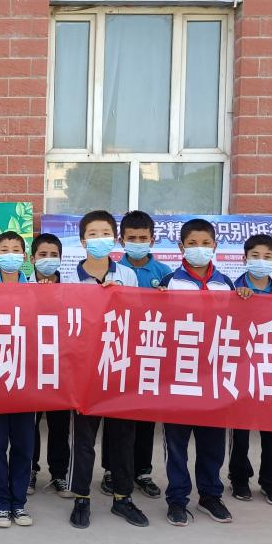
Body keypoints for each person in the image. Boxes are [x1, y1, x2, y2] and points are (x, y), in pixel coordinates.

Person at [63, 211, 147, 529]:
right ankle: (81, 498)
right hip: (85, 371)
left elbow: (137, 318)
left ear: (115, 239)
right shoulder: (70, 278)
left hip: (119, 367)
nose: (99, 239)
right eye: (93, 234)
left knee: (123, 437)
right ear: (83, 241)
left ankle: (122, 498)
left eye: (105, 233)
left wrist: (117, 298)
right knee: (84, 439)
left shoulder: (127, 275)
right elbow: (65, 322)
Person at [161, 218, 234, 527]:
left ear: (215, 246)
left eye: (205, 243)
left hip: (214, 375)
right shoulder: (169, 283)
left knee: (212, 441)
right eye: (192, 244)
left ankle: (210, 495)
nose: (199, 249)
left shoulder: (226, 284)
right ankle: (177, 499)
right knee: (176, 442)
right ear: (181, 247)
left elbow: (239, 324)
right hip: (178, 374)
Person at [108, 209, 171, 499]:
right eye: (131, 238)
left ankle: (142, 471)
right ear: (121, 241)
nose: (137, 242)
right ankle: (112, 470)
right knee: (115, 415)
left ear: (152, 240)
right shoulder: (113, 271)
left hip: (151, 353)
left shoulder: (165, 273)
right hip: (119, 351)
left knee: (146, 414)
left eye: (142, 238)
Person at [228, 233, 272, 507]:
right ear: (244, 258)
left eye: (267, 257)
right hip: (240, 368)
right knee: (240, 430)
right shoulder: (231, 289)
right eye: (255, 256)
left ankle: (271, 481)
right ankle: (239, 478)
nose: (261, 261)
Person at [0, 231, 36, 528]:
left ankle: (19, 501)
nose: (10, 255)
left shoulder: (38, 291)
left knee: (23, 445)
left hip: (26, 380)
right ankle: (1, 502)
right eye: (4, 250)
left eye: (16, 249)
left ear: (25, 257)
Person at [28, 233, 71, 498]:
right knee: (29, 425)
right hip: (31, 365)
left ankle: (59, 474)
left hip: (61, 367)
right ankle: (29, 471)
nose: (48, 259)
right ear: (32, 259)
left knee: (60, 425)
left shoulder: (73, 288)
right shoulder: (21, 286)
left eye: (53, 255)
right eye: (42, 255)